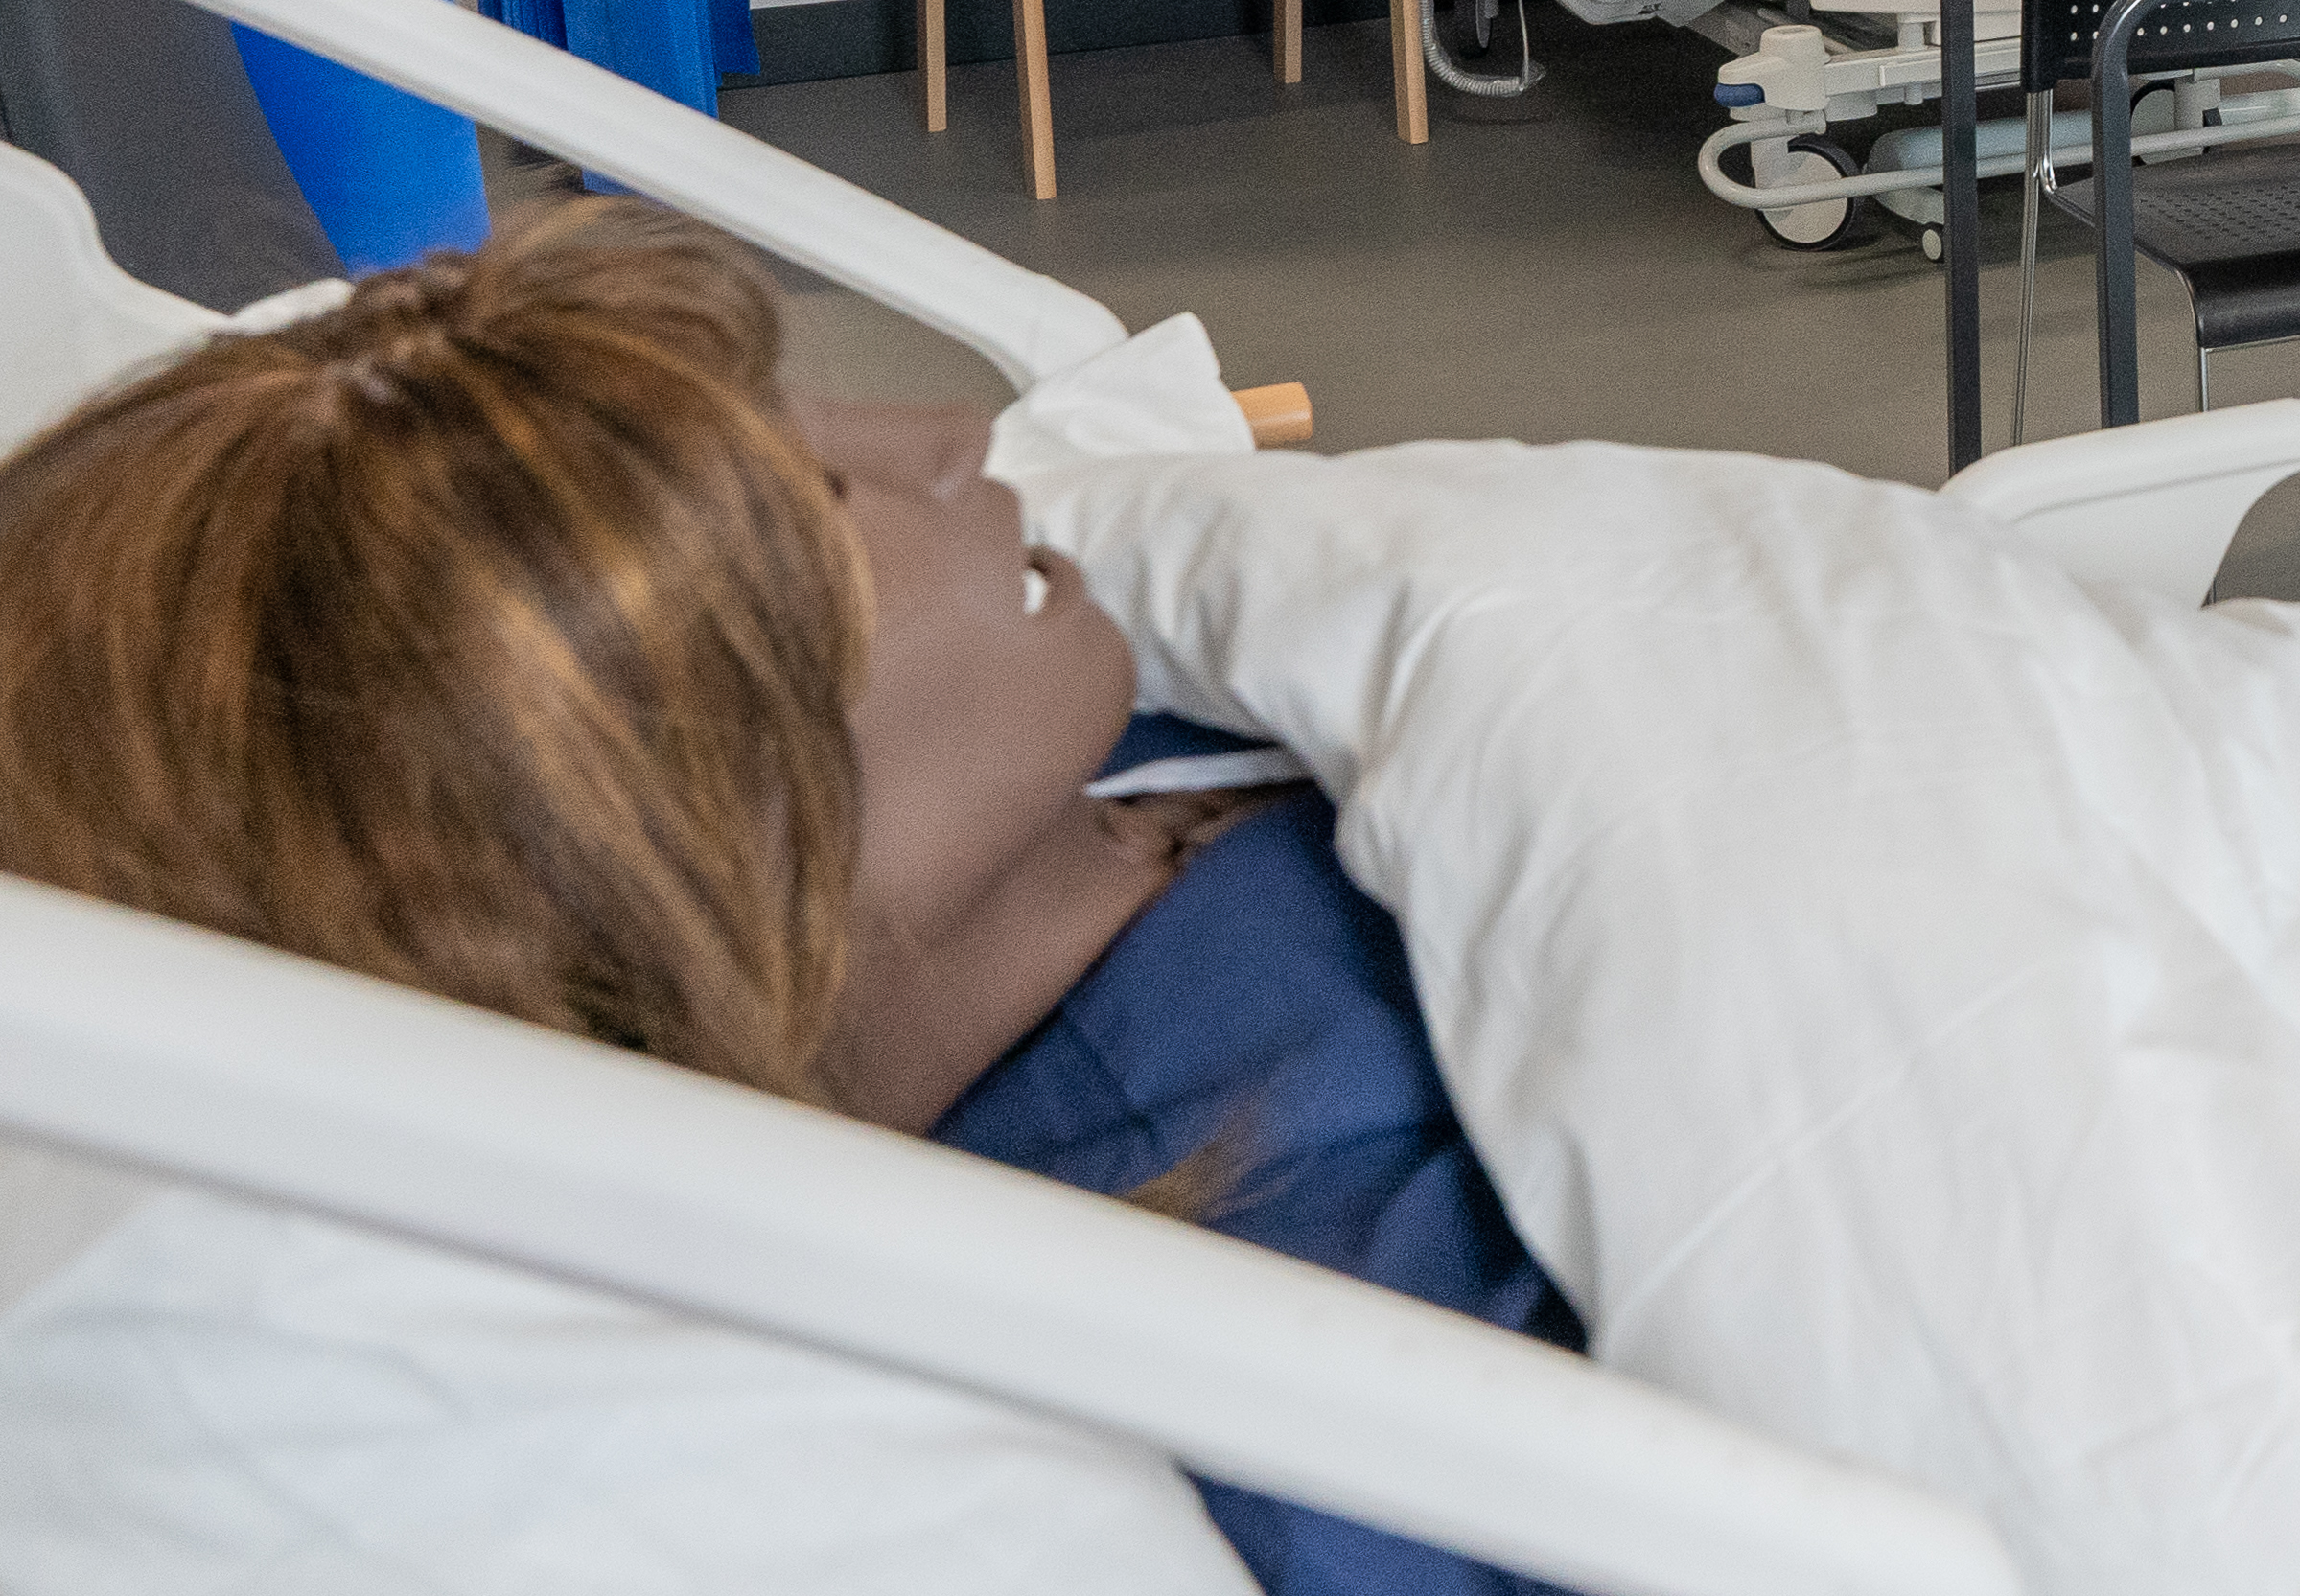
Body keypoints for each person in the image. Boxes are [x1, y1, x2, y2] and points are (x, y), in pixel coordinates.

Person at [0, 210, 1564, 1596]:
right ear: (646, 840)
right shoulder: (1330, 1323)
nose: (954, 435)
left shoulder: (1139, 752)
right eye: (812, 500)